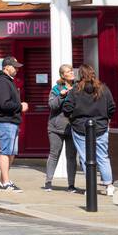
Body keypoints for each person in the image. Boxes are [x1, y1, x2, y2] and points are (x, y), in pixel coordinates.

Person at [62, 63, 117, 196]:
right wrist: (105, 119)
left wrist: (72, 118)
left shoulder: (75, 90)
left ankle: (90, 187)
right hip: (101, 127)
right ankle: (109, 186)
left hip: (80, 127)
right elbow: (111, 108)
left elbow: (67, 108)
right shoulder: (103, 89)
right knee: (103, 156)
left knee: (86, 158)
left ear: (80, 75)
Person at [0, 56, 28, 191]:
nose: (17, 69)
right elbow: (4, 104)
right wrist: (20, 106)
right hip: (5, 121)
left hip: (11, 121)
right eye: (14, 66)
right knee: (6, 152)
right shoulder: (2, 82)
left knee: (11, 152)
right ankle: (6, 182)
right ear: (6, 67)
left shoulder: (8, 81)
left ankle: (2, 180)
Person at [44, 64, 77, 193]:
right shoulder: (57, 89)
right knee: (54, 154)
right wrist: (61, 96)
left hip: (72, 126)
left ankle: (71, 185)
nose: (72, 73)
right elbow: (52, 105)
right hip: (55, 128)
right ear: (63, 75)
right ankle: (48, 181)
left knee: (71, 156)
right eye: (69, 71)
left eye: (71, 70)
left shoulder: (77, 87)